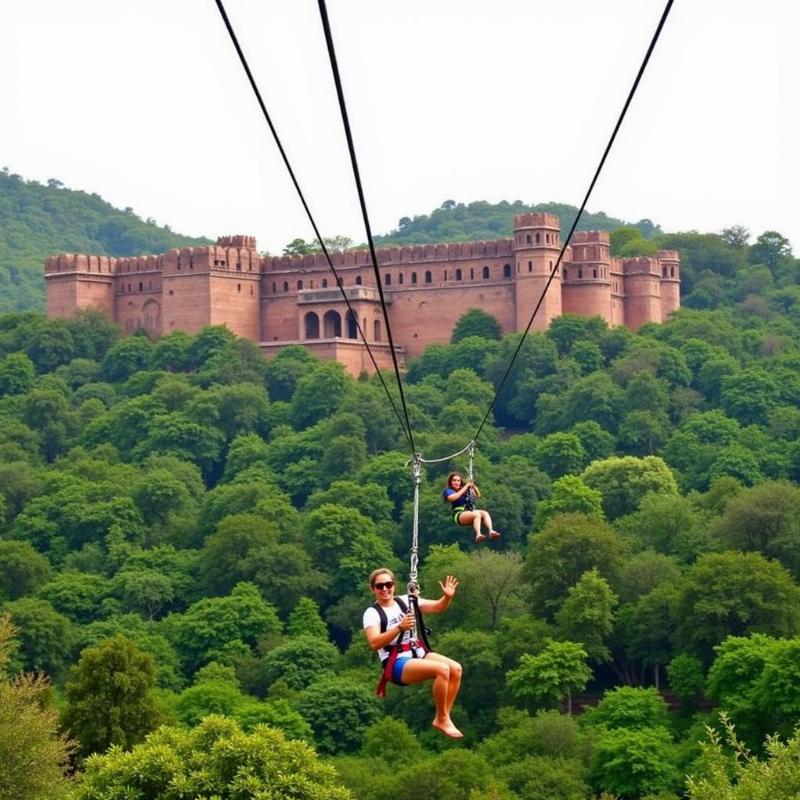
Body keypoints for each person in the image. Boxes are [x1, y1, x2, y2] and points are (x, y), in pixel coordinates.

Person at [363, 567, 464, 738]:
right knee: (442, 670)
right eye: (380, 586)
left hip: (416, 652)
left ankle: (444, 716)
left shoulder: (405, 601)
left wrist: (447, 597)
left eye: (388, 584)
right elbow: (374, 643)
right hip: (395, 662)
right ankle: (441, 718)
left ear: (394, 585)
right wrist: (399, 628)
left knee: (455, 669)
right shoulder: (372, 613)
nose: (385, 589)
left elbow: (437, 607)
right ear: (373, 589)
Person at [443, 472, 500, 543]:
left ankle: (491, 531)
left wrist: (473, 486)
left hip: (468, 511)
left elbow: (477, 495)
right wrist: (466, 487)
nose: (456, 482)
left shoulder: (464, 489)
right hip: (458, 514)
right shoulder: (448, 491)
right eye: (454, 480)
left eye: (458, 480)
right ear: (450, 482)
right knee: (476, 514)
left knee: (484, 513)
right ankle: (478, 534)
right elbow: (453, 498)